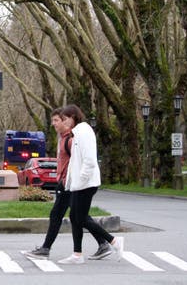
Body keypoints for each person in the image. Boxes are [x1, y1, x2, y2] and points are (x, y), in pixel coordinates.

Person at [23, 108, 112, 260]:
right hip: (66, 183)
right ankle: (102, 243)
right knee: (78, 216)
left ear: (68, 121)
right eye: (54, 121)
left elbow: (81, 160)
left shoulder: (71, 140)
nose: (55, 124)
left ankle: (47, 248)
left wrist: (76, 179)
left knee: (62, 215)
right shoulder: (64, 138)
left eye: (58, 120)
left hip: (70, 184)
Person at [58, 104, 124, 265]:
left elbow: (89, 161)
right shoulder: (77, 132)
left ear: (74, 117)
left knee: (80, 218)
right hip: (79, 184)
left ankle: (113, 241)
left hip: (86, 184)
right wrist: (71, 183)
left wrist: (80, 181)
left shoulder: (84, 131)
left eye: (65, 119)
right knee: (75, 217)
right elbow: (75, 161)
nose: (63, 122)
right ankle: (77, 254)